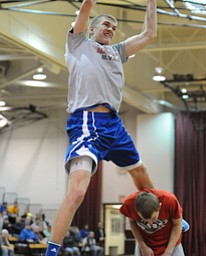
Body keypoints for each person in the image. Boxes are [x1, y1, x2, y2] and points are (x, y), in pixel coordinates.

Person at [45, 0, 157, 254]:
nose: (111, 29)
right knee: (77, 193)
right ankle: (51, 251)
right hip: (87, 121)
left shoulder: (117, 52)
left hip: (114, 124)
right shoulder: (78, 44)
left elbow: (150, 34)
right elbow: (85, 8)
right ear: (92, 29)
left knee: (141, 174)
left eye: (114, 27)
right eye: (106, 24)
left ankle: (164, 214)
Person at [119, 189, 185, 256]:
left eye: (153, 218)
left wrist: (169, 251)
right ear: (137, 212)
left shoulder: (169, 201)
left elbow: (177, 224)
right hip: (145, 243)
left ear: (159, 207)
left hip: (171, 243)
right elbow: (132, 222)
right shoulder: (129, 205)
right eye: (145, 221)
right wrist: (142, 245)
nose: (150, 223)